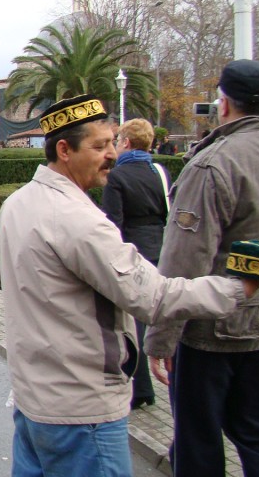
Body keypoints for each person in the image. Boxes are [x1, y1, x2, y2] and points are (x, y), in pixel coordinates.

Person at [0, 94, 259, 477]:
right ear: (64, 150)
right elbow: (155, 298)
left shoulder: (18, 202)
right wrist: (238, 288)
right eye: (99, 146)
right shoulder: (80, 221)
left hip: (34, 403)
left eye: (112, 142)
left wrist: (49, 299)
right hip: (83, 413)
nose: (112, 154)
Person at [145, 59, 259, 477]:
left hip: (211, 331)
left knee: (198, 442)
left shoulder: (214, 164)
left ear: (223, 104)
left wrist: (161, 338)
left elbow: (185, 260)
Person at [100, 118, 169, 411]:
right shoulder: (160, 172)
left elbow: (113, 222)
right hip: (160, 247)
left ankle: (140, 388)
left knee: (133, 322)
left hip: (133, 250)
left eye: (118, 141)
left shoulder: (117, 176)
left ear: (126, 142)